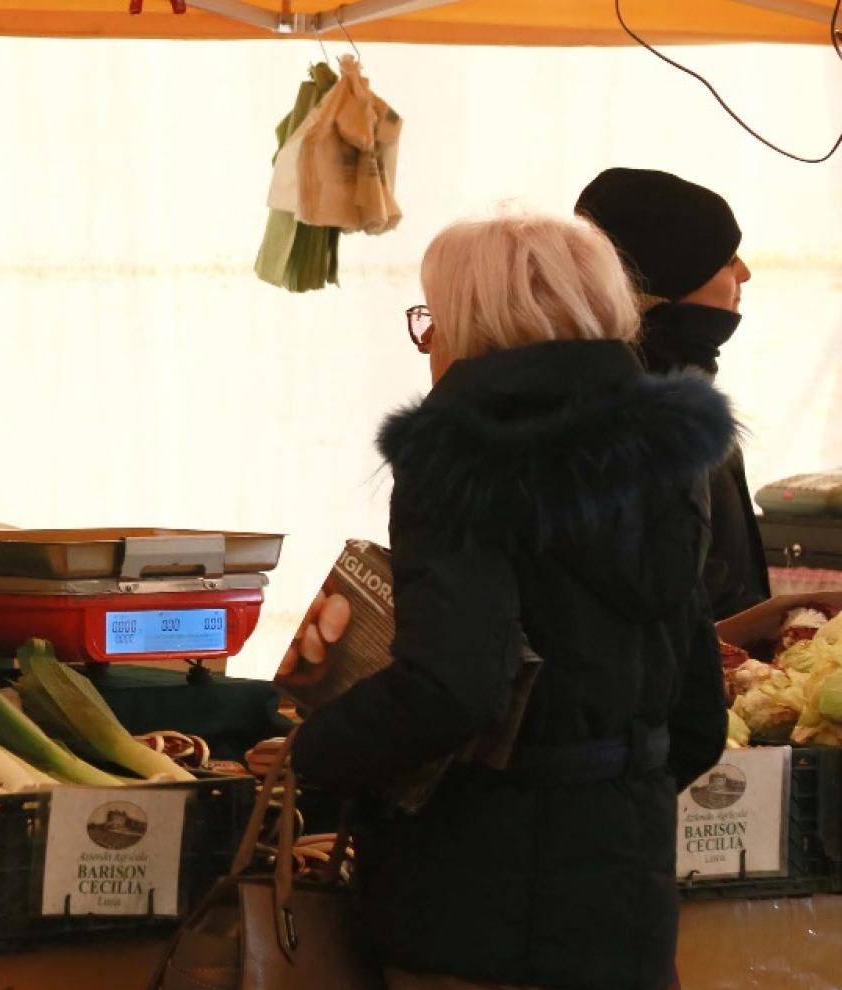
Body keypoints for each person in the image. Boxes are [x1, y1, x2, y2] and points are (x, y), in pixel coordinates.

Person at [275, 213, 731, 990]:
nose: (430, 342)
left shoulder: (462, 455)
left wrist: (311, 755)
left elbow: (452, 685)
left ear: (470, 322)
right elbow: (697, 716)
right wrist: (610, 793)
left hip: (473, 898)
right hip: (627, 900)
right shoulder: (672, 453)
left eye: (431, 319)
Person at [576, 167, 769, 619]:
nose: (745, 272)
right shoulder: (632, 407)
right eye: (726, 260)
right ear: (669, 275)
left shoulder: (680, 382)